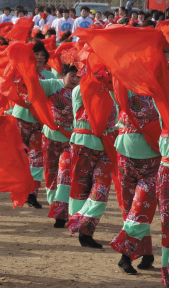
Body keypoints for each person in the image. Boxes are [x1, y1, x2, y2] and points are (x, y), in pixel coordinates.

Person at [109, 87, 161, 274]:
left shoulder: (165, 93)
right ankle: (146, 254)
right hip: (125, 158)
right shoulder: (125, 91)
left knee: (140, 210)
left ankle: (125, 256)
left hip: (153, 163)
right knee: (129, 209)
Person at [67, 67, 117, 248]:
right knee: (80, 188)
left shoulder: (113, 90)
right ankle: (83, 231)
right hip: (83, 142)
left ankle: (83, 225)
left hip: (107, 145)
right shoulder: (80, 89)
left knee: (101, 190)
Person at [12, 41, 55, 209]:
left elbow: (54, 96)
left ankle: (32, 193)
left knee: (37, 158)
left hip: (39, 123)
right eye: (36, 54)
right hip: (21, 119)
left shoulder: (50, 77)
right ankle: (19, 190)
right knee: (20, 155)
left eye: (42, 55)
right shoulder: (21, 72)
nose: (39, 57)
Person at [42, 62, 81, 228]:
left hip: (71, 140)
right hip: (50, 137)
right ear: (64, 74)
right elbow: (31, 85)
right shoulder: (52, 84)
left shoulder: (82, 90)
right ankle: (54, 204)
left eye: (78, 76)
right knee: (50, 175)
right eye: (72, 75)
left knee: (65, 172)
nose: (74, 79)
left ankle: (61, 214)